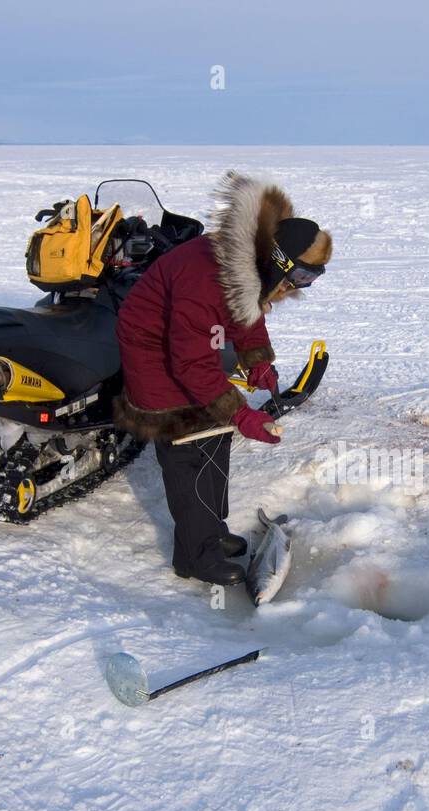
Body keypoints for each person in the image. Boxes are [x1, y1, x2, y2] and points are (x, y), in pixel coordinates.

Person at [113, 171, 332, 586]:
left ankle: (212, 533)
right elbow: (190, 364)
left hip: (189, 350)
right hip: (155, 355)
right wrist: (244, 416)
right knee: (187, 447)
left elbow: (247, 312)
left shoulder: (250, 264)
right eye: (303, 276)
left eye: (312, 280)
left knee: (215, 436)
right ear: (281, 261)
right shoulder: (205, 278)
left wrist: (257, 360)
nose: (303, 286)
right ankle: (194, 555)